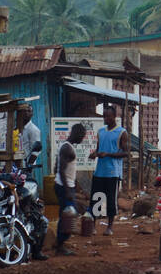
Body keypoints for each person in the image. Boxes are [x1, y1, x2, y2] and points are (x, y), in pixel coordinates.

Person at [88, 106, 129, 236]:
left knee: (111, 200)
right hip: (99, 171)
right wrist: (94, 154)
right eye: (104, 116)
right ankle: (94, 226)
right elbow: (98, 149)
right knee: (96, 199)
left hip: (112, 172)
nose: (105, 118)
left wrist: (109, 155)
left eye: (108, 116)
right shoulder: (101, 131)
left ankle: (110, 227)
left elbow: (126, 153)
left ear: (114, 116)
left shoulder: (122, 132)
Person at [52, 122, 83, 256]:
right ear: (77, 134)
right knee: (67, 216)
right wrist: (67, 191)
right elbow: (62, 171)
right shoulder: (68, 149)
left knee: (66, 214)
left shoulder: (66, 147)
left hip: (64, 185)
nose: (82, 138)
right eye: (82, 135)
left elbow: (56, 168)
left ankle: (60, 244)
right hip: (65, 186)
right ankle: (60, 246)